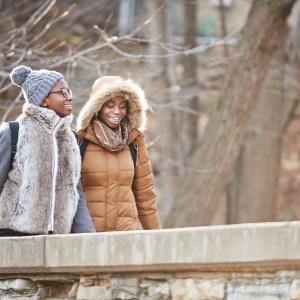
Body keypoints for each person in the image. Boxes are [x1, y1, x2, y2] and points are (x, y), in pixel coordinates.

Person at [0, 65, 95, 236]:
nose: (69, 97)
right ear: (43, 99)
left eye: (69, 91)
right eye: (62, 92)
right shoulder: (14, 133)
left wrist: (89, 236)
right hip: (13, 237)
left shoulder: (70, 139)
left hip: (57, 241)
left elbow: (75, 192)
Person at [76, 76, 161, 232]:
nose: (117, 111)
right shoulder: (80, 141)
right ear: (97, 107)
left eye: (122, 106)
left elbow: (146, 197)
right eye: (110, 105)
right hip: (88, 238)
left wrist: (157, 236)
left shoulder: (135, 141)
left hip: (126, 237)